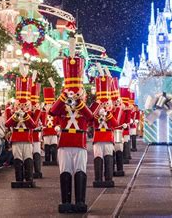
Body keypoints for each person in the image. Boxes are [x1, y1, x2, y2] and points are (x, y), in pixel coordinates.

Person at [49, 45, 93, 213]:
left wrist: (79, 101)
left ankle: (80, 201)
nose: (74, 95)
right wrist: (63, 96)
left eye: (78, 92)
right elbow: (52, 111)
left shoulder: (84, 105)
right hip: (65, 142)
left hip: (80, 141)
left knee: (80, 171)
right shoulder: (63, 105)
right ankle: (66, 201)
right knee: (65, 171)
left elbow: (90, 118)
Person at [5, 74, 37, 188]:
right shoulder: (12, 113)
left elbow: (33, 125)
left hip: (27, 139)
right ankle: (19, 178)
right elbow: (7, 124)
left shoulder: (31, 113)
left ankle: (29, 178)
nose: (22, 106)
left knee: (28, 157)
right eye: (20, 104)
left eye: (24, 105)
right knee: (17, 158)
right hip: (16, 138)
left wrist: (26, 115)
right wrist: (16, 115)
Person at [90, 68, 118, 188]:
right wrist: (97, 108)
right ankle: (98, 178)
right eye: (103, 103)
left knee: (108, 158)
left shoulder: (111, 112)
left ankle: (108, 178)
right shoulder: (96, 111)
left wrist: (108, 114)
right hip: (98, 137)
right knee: (98, 158)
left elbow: (115, 123)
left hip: (108, 137)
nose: (105, 105)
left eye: (107, 103)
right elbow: (90, 119)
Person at [42, 86, 59, 166]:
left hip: (53, 131)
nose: (49, 106)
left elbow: (59, 122)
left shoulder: (56, 113)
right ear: (45, 106)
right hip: (46, 132)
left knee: (54, 146)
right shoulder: (42, 114)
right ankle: (47, 160)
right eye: (47, 105)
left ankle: (54, 160)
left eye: (50, 104)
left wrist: (58, 126)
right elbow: (40, 122)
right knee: (47, 146)